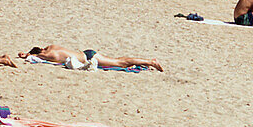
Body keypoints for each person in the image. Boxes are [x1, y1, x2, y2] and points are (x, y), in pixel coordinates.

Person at [18, 44, 163, 71]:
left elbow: (36, 58)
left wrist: (28, 55)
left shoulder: (49, 55)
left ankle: (150, 62)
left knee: (121, 62)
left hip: (88, 58)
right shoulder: (52, 47)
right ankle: (147, 62)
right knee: (119, 60)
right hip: (86, 52)